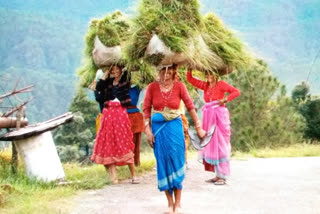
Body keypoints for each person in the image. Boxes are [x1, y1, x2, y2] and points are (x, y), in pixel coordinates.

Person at [143, 64, 205, 213]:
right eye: (162, 70)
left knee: (177, 161)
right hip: (158, 130)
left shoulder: (179, 86)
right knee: (162, 163)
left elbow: (190, 106)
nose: (165, 74)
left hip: (175, 128)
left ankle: (178, 204)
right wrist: (148, 130)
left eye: (169, 71)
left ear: (173, 72)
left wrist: (198, 126)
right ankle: (170, 203)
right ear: (158, 71)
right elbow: (145, 109)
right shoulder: (152, 87)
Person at [186, 66, 240, 185]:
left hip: (219, 117)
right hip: (209, 117)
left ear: (216, 75)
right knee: (212, 143)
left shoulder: (221, 84)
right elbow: (190, 80)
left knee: (220, 144)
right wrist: (189, 69)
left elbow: (236, 92)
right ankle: (217, 175)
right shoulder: (205, 86)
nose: (208, 77)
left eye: (210, 74)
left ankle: (223, 175)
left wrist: (225, 99)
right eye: (206, 74)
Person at [91, 64, 139, 184]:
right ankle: (114, 177)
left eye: (117, 69)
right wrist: (105, 73)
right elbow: (99, 89)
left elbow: (130, 69)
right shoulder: (107, 83)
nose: (115, 71)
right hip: (108, 115)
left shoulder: (124, 81)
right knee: (109, 143)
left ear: (121, 69)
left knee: (124, 142)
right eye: (113, 69)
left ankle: (134, 175)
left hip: (120, 114)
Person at [127, 84, 145, 166]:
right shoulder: (121, 87)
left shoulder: (136, 87)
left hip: (135, 116)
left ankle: (136, 162)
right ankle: (127, 161)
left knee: (136, 141)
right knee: (127, 141)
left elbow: (144, 80)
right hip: (124, 116)